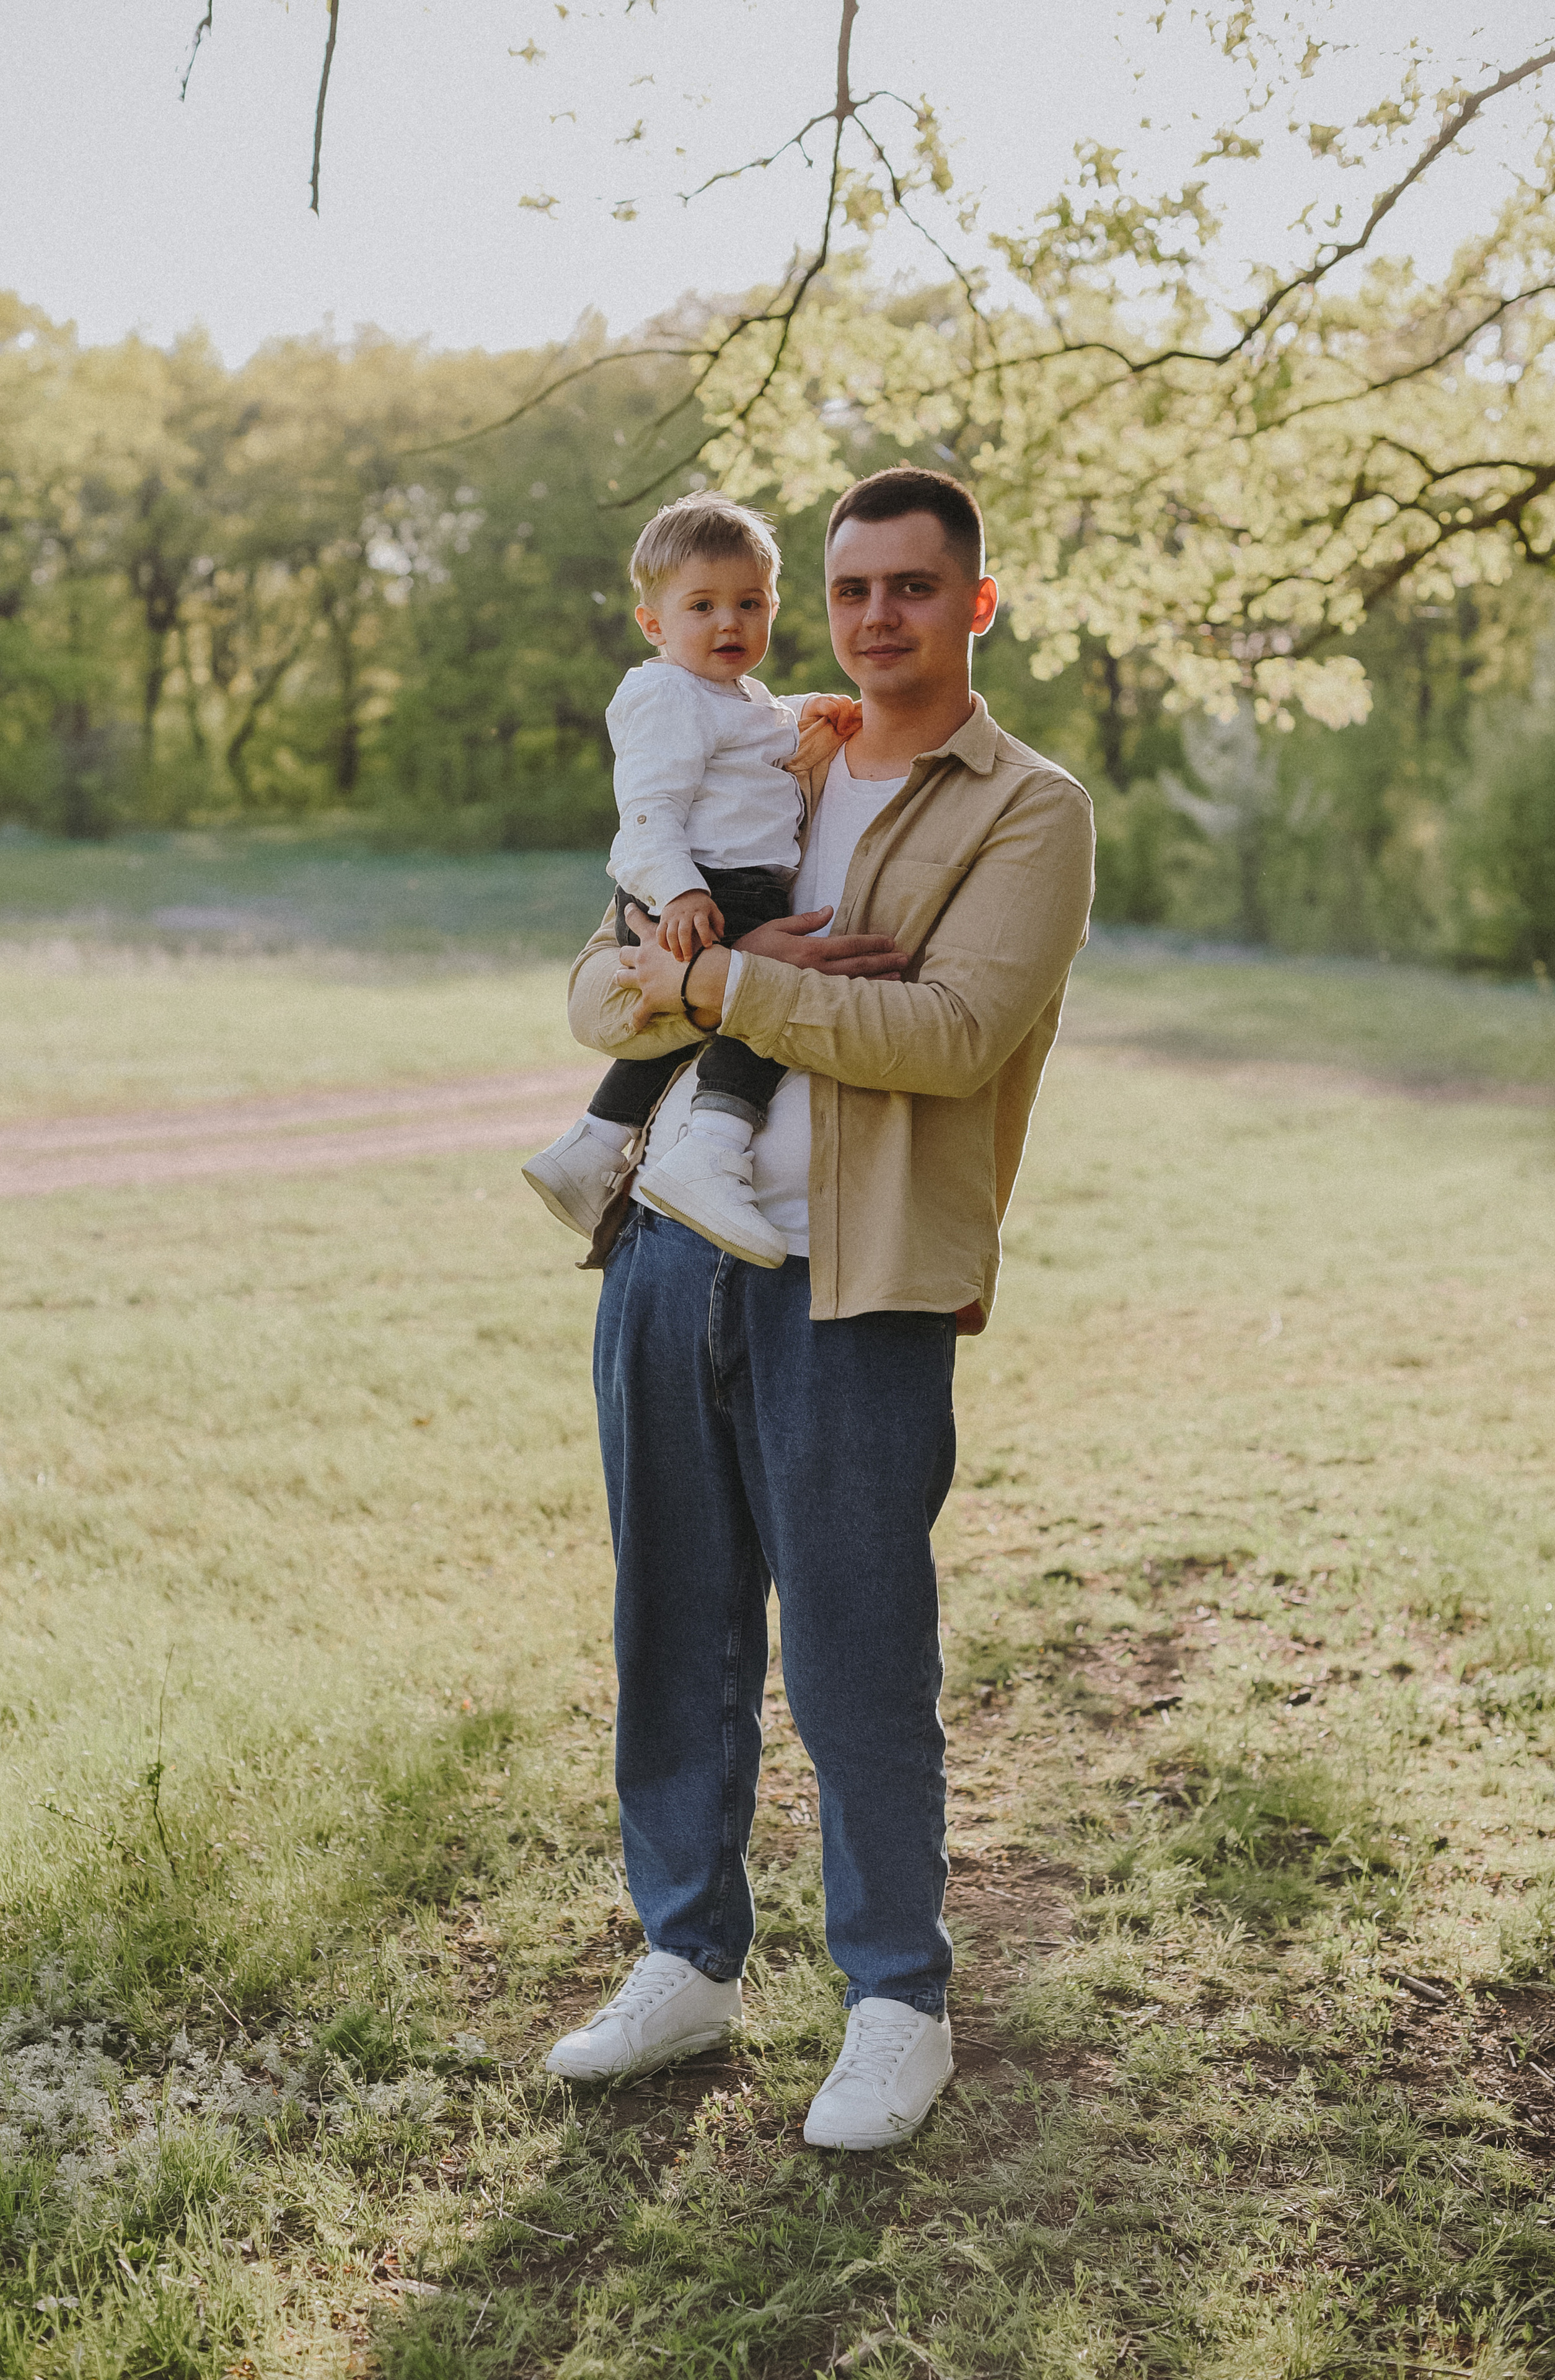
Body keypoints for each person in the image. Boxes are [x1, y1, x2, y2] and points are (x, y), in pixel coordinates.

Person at [545, 467, 1095, 2151]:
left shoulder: (1028, 808)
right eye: (853, 586)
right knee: (673, 1630)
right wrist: (722, 974)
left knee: (859, 1651)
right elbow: (592, 988)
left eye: (912, 587)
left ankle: (893, 2004)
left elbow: (948, 1037)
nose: (876, 615)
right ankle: (688, 1957)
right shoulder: (754, 741)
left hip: (859, 1281)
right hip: (664, 1256)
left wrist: (715, 983)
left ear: (974, 605)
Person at [522, 490, 858, 1269]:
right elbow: (646, 808)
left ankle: (594, 1144)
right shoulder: (666, 693)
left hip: (719, 882)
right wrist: (679, 892)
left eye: (749, 602)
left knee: (717, 1002)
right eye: (701, 605)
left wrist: (816, 708)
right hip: (707, 886)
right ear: (653, 623)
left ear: (775, 605)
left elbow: (761, 724)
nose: (728, 623)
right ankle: (713, 1146)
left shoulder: (730, 697)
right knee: (758, 1003)